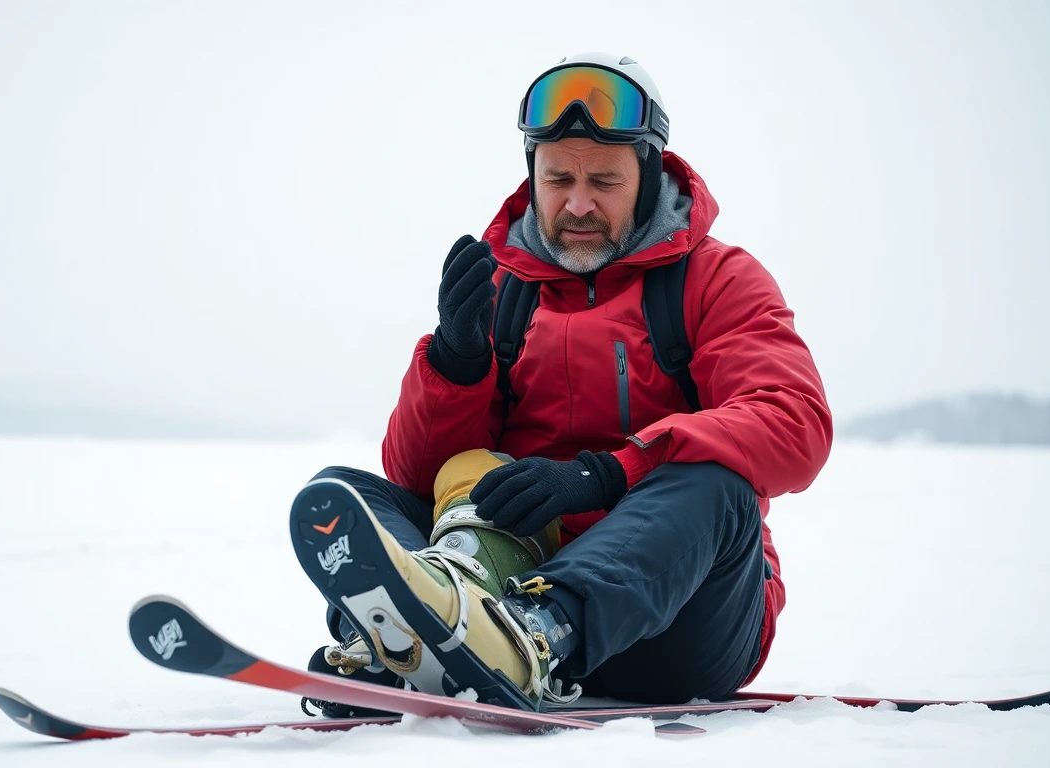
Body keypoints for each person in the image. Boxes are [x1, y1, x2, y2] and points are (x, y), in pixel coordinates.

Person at [289, 52, 832, 715]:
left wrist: (609, 474)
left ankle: (535, 636)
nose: (578, 204)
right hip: (509, 576)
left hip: (680, 625)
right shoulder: (504, 289)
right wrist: (458, 365)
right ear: (532, 176)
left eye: (604, 180)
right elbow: (423, 479)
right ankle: (407, 640)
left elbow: (794, 422)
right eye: (558, 179)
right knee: (346, 497)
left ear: (649, 176)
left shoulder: (716, 280)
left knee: (717, 486)